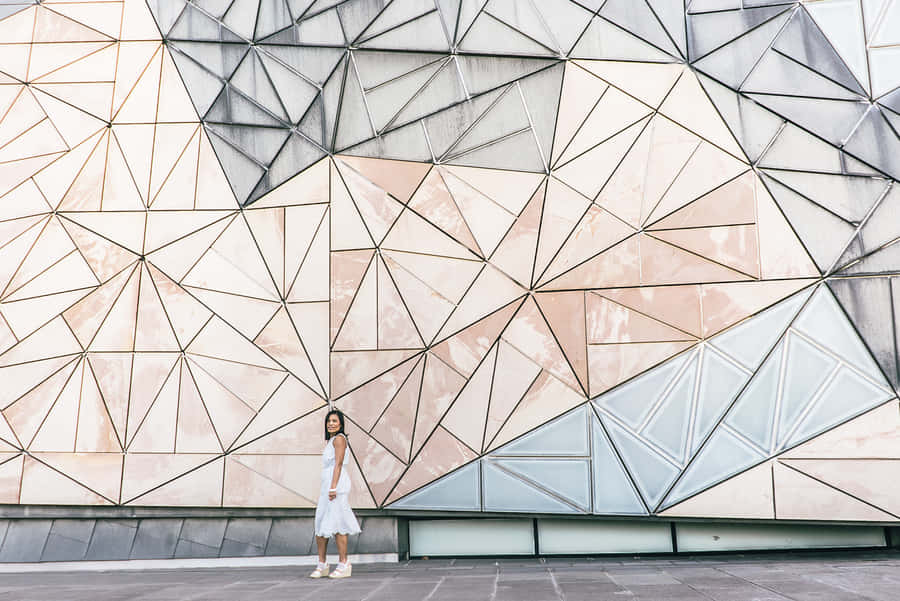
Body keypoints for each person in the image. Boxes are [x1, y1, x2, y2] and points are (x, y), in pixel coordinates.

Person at [309, 409, 360, 579]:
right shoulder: (331, 440)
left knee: (338, 523)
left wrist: (333, 487)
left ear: (341, 424)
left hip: (336, 485)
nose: (331, 423)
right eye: (328, 421)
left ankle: (344, 563)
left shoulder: (339, 439)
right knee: (320, 521)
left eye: (334, 421)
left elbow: (338, 464)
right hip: (327, 485)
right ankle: (322, 564)